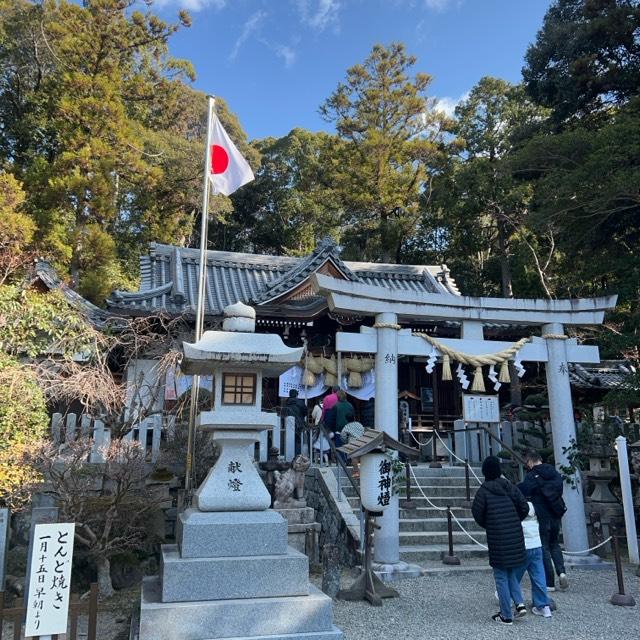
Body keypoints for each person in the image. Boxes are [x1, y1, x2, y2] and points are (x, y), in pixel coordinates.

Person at [472, 456, 529, 626]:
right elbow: (524, 506)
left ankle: (506, 615)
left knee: (501, 576)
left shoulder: (483, 491)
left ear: (484, 472)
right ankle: (519, 604)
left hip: (497, 536)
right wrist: (514, 520)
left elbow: (477, 513)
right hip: (515, 535)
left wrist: (490, 523)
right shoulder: (509, 487)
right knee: (511, 571)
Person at [518, 449, 568, 592]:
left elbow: (524, 491)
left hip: (541, 515)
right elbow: (559, 490)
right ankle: (562, 572)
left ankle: (549, 582)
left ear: (531, 461)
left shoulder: (532, 476)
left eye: (527, 462)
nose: (527, 465)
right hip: (555, 513)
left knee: (544, 546)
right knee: (555, 544)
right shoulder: (554, 473)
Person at [515, 502, 553, 618]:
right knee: (539, 576)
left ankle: (512, 598)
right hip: (536, 545)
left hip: (523, 547)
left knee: (514, 575)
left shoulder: (518, 510)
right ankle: (543, 606)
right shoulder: (535, 508)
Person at [284, 389, 307, 455]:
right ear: (296, 395)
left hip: (288, 425)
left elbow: (283, 413)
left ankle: (289, 456)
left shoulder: (286, 403)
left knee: (289, 440)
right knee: (298, 441)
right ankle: (297, 457)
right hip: (299, 424)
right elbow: (305, 412)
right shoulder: (300, 402)